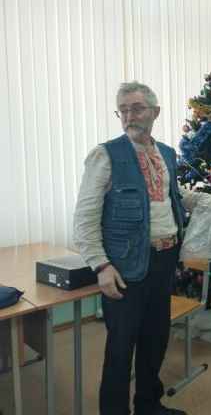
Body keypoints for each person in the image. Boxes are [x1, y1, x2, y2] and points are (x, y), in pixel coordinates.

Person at [73, 82, 188, 415]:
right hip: (124, 267)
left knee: (155, 339)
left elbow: (170, 199)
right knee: (120, 348)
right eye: (122, 110)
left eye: (136, 108)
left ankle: (149, 405)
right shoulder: (105, 155)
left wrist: (210, 199)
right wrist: (101, 265)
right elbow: (84, 218)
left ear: (155, 112)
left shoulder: (167, 153)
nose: (129, 116)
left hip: (164, 259)